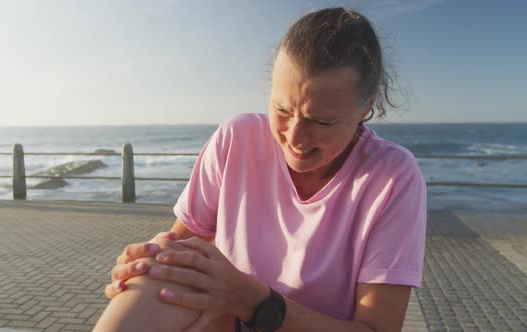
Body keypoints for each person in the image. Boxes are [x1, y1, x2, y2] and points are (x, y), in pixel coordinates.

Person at [94, 7, 426, 332]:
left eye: (321, 121)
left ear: (367, 107)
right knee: (157, 275)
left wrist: (256, 303)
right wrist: (142, 265)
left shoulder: (393, 177)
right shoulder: (237, 138)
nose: (294, 137)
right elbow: (179, 248)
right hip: (226, 319)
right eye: (281, 108)